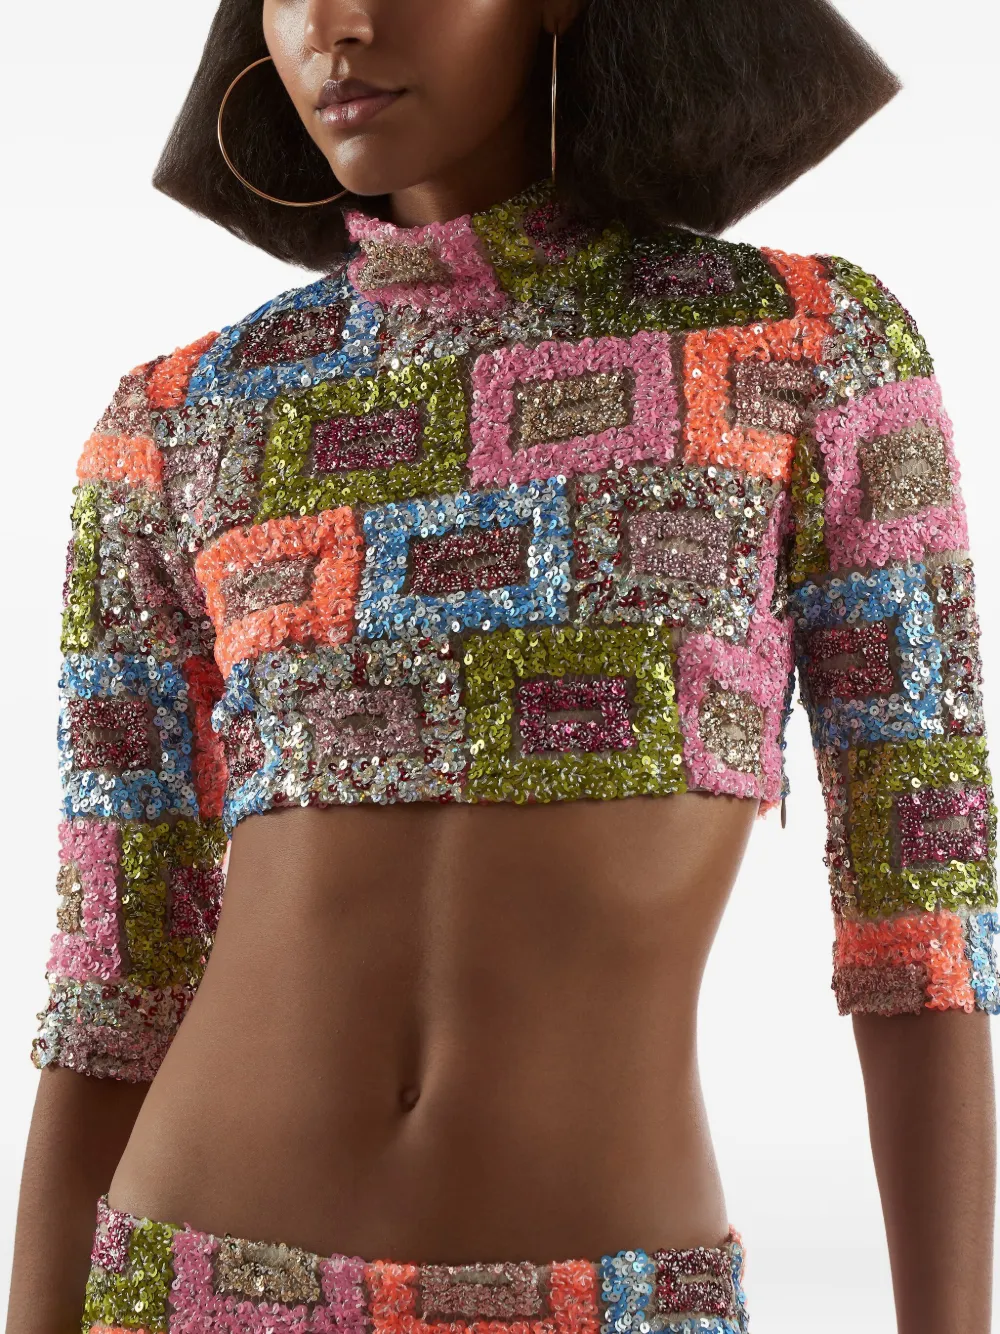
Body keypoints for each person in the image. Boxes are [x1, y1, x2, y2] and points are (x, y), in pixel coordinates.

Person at [6, 1, 998, 1331]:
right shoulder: (180, 417)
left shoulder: (808, 349)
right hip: (191, 1277)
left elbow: (923, 910)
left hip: (609, 1295)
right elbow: (115, 973)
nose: (338, 24)